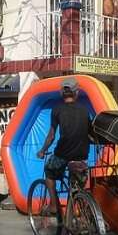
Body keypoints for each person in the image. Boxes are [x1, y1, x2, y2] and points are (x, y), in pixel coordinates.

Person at [36, 78, 91, 214]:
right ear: (76, 93)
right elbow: (89, 133)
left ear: (62, 93)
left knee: (49, 172)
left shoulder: (57, 110)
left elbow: (51, 136)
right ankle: (81, 209)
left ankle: (54, 205)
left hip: (62, 155)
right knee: (78, 185)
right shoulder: (85, 110)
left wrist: (42, 150)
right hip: (81, 155)